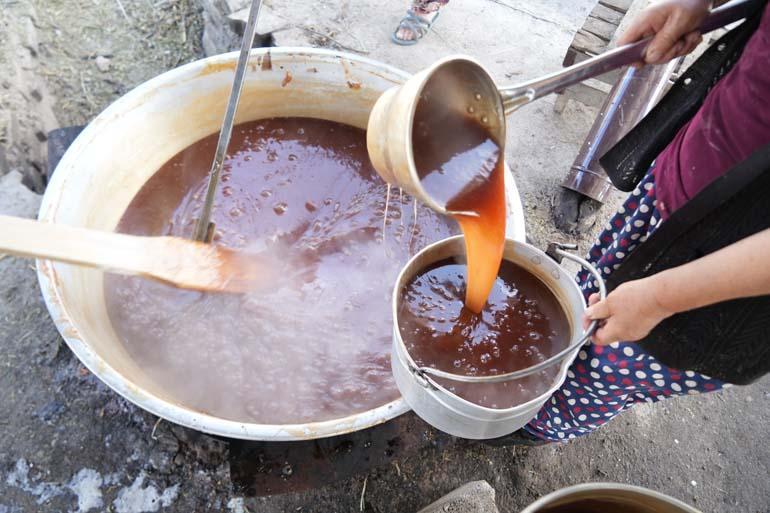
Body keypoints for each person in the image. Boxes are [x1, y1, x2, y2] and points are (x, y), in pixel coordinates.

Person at [520, 0, 770, 442]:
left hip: (725, 293)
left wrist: (658, 298)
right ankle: (538, 378)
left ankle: (539, 426)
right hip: (687, 177)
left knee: (609, 371)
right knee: (584, 308)